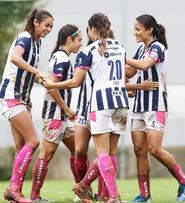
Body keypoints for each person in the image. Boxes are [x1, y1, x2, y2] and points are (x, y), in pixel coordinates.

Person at [43, 13, 127, 203]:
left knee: (102, 153)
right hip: (120, 102)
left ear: (91, 29)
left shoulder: (88, 51)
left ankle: (112, 196)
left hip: (100, 104)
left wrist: (52, 85)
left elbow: (75, 82)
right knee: (111, 152)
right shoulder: (120, 47)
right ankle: (105, 195)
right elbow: (123, 74)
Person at [125, 14, 185, 202]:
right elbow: (130, 71)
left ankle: (184, 181)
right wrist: (109, 61)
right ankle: (145, 195)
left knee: (154, 149)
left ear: (149, 30)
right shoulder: (140, 49)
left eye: (138, 28)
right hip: (139, 105)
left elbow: (145, 65)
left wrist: (121, 55)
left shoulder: (158, 48)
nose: (134, 32)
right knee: (139, 149)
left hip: (156, 105)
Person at [0, 8, 53, 203]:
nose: (49, 29)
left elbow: (27, 72)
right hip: (11, 95)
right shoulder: (25, 37)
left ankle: (14, 192)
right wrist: (37, 72)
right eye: (47, 25)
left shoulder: (37, 43)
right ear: (36, 23)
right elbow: (15, 57)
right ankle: (14, 189)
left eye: (51, 27)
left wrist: (45, 80)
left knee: (21, 146)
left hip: (23, 98)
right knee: (33, 142)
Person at [30, 24, 82, 202]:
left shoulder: (61, 56)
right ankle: (35, 196)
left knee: (78, 150)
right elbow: (52, 88)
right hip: (56, 115)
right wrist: (66, 109)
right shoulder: (61, 59)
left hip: (62, 116)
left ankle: (82, 191)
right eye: (79, 40)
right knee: (46, 154)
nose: (81, 44)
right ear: (70, 40)